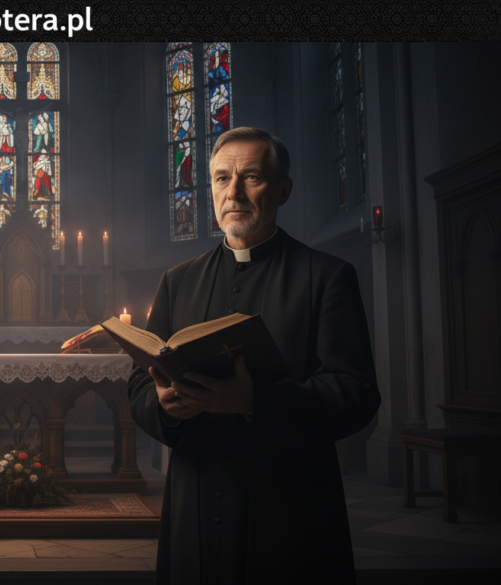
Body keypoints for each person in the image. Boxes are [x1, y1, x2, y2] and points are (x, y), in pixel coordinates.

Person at [127, 127, 379, 584]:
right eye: (222, 179)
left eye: (252, 178)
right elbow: (140, 381)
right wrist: (162, 403)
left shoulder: (326, 277)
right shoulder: (177, 280)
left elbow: (356, 393)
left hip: (289, 504)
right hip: (195, 496)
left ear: (283, 190)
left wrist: (254, 402)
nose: (234, 192)